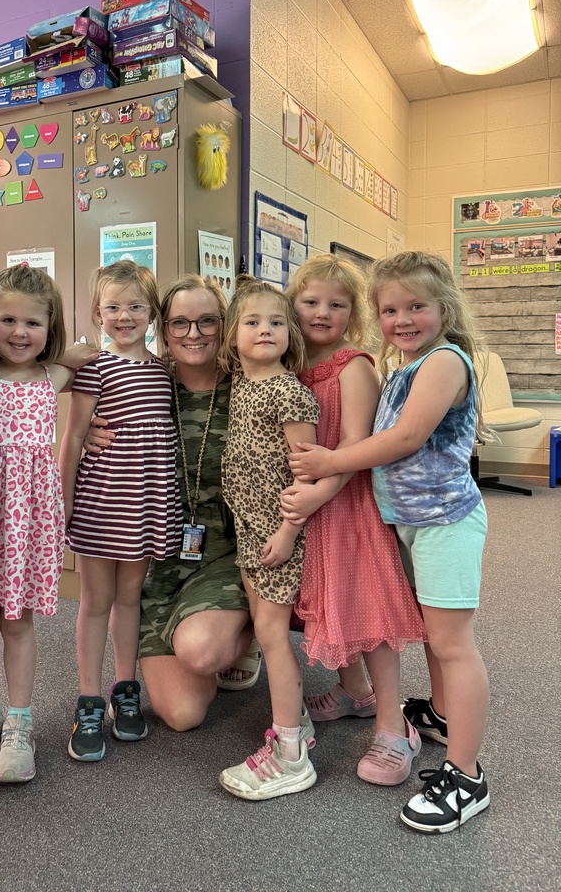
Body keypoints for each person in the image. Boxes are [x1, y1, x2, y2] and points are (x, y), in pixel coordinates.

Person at [293, 250, 490, 833]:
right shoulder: (405, 364)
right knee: (428, 630)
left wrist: (332, 459)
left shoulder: (445, 362)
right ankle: (440, 713)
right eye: (391, 310)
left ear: (444, 308)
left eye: (416, 307)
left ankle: (466, 775)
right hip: (406, 520)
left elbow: (406, 436)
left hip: (444, 522)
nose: (403, 319)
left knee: (454, 643)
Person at [83, 275, 257, 731]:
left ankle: (249, 635)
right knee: (181, 714)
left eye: (206, 322)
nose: (193, 334)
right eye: (180, 323)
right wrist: (83, 432)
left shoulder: (248, 384)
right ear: (163, 327)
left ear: (225, 324)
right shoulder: (148, 379)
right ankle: (185, 631)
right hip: (154, 553)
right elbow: (51, 366)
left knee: (202, 651)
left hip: (225, 554)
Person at [281, 254, 427, 786]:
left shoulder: (354, 366)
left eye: (336, 304)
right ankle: (354, 693)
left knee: (368, 611)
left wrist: (317, 499)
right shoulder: (289, 366)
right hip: (310, 507)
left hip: (345, 506)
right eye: (311, 301)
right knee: (332, 603)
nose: (322, 312)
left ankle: (395, 729)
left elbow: (356, 448)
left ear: (353, 313)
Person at [0, 265, 74, 784]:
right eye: (7, 320)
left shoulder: (56, 376)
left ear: (51, 328)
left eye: (33, 322)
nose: (20, 332)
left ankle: (19, 725)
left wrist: (96, 434)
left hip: (28, 516)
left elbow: (93, 356)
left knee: (18, 621)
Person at [60, 261, 181, 762]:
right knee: (95, 600)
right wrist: (61, 509)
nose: (124, 316)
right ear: (97, 312)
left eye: (134, 306)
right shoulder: (92, 365)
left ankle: (124, 688)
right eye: (113, 307)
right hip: (99, 504)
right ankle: (89, 698)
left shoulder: (164, 370)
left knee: (130, 599)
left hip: (147, 505)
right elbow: (72, 437)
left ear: (151, 313)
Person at [217, 276, 320, 801]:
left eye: (276, 322)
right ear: (233, 333)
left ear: (290, 334)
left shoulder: (289, 392)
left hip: (279, 534)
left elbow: (306, 476)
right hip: (249, 530)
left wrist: (287, 532)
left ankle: (289, 753)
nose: (265, 330)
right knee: (262, 626)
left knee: (274, 635)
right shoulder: (242, 383)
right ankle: (293, 715)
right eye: (253, 321)